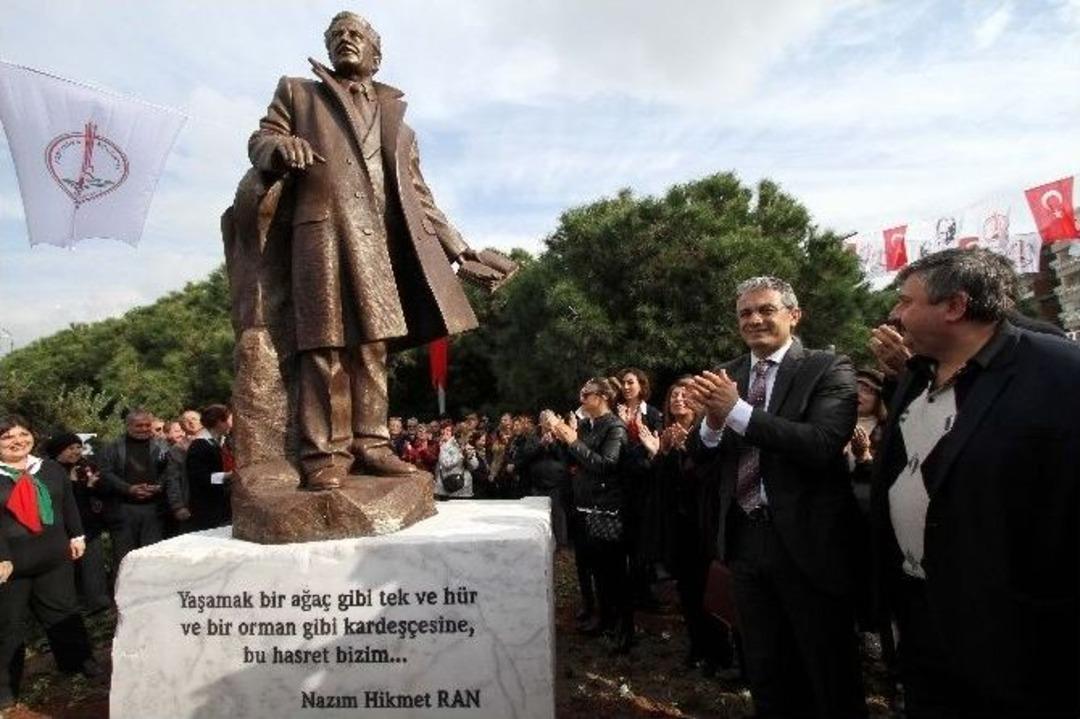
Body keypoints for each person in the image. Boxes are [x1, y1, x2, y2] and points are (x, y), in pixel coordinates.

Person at [243, 10, 486, 490]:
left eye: (356, 34)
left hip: (379, 246)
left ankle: (372, 443)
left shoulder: (399, 123)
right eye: (336, 34)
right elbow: (261, 140)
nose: (345, 39)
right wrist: (280, 148)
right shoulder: (299, 92)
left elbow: (419, 196)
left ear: (377, 54)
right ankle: (324, 453)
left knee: (374, 347)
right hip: (322, 236)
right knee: (323, 346)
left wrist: (460, 250)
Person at [869, 248, 1079, 717]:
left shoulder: (1059, 373)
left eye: (906, 301)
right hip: (923, 616)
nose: (895, 314)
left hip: (1016, 633)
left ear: (955, 306)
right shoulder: (916, 375)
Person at [687, 276, 866, 718]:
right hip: (746, 541)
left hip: (809, 544)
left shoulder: (828, 367)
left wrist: (736, 411)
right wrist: (712, 424)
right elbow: (701, 458)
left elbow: (821, 443)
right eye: (745, 313)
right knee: (766, 670)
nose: (754, 320)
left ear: (794, 315)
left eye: (766, 310)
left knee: (827, 671)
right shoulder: (727, 374)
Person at [0, 415, 99, 710]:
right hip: (10, 566)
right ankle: (5, 689)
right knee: (8, 627)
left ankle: (78, 662)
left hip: (54, 557)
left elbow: (67, 503)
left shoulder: (50, 468)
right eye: (7, 437)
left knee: (63, 612)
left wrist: (77, 535)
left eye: (23, 434)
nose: (18, 441)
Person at [650, 377, 735, 676]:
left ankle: (719, 654)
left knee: (708, 590)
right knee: (687, 590)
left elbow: (708, 476)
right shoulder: (667, 432)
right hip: (678, 526)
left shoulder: (707, 431)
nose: (678, 399)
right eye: (674, 395)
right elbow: (660, 483)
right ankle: (697, 647)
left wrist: (686, 450)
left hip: (705, 525)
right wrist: (664, 452)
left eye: (685, 395)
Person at [549, 378, 633, 653]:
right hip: (585, 506)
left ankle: (624, 631)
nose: (581, 399)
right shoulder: (587, 426)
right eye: (581, 394)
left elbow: (607, 465)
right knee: (596, 571)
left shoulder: (615, 427)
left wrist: (574, 442)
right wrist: (563, 440)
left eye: (586, 394)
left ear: (603, 397)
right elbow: (573, 462)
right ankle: (604, 620)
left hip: (607, 510)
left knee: (614, 574)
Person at [42, 434, 111, 614]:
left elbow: (103, 492)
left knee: (93, 566)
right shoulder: (49, 471)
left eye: (78, 447)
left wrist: (93, 485)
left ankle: (98, 602)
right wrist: (77, 485)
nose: (76, 452)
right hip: (61, 529)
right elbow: (63, 501)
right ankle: (70, 605)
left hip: (89, 526)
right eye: (70, 448)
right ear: (58, 451)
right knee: (67, 571)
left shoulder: (86, 467)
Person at [616, 367, 664, 611]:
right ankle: (628, 592)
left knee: (644, 540)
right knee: (625, 540)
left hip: (646, 485)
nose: (626, 387)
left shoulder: (653, 414)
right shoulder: (615, 413)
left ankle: (645, 593)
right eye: (623, 383)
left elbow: (654, 450)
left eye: (630, 382)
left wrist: (632, 431)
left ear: (641, 385)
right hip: (621, 486)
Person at [98, 409, 169, 567]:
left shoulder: (162, 445)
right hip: (123, 508)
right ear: (128, 426)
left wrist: (159, 486)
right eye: (139, 425)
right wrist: (128, 488)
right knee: (125, 559)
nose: (144, 429)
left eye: (147, 425)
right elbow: (105, 473)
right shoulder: (112, 447)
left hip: (153, 508)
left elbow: (169, 470)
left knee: (152, 558)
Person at [184, 404, 234, 530]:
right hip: (207, 509)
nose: (231, 425)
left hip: (223, 506)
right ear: (219, 422)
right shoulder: (199, 446)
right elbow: (199, 477)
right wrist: (227, 475)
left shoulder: (222, 442)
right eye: (229, 420)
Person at [433, 424, 476, 499]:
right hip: (447, 489)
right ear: (461, 435)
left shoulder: (468, 447)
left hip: (464, 489)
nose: (469, 439)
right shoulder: (446, 446)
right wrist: (460, 455)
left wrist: (470, 458)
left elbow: (474, 467)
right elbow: (445, 463)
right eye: (468, 436)